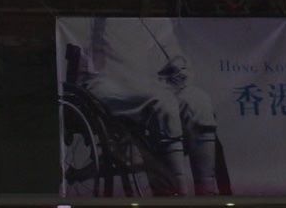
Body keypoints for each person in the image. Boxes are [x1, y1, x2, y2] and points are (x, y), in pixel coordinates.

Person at [76, 16, 223, 196]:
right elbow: (85, 59)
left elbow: (175, 56)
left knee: (199, 102)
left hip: (154, 81)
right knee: (163, 104)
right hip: (110, 82)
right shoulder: (96, 20)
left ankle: (207, 195)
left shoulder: (155, 21)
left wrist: (180, 70)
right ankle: (174, 196)